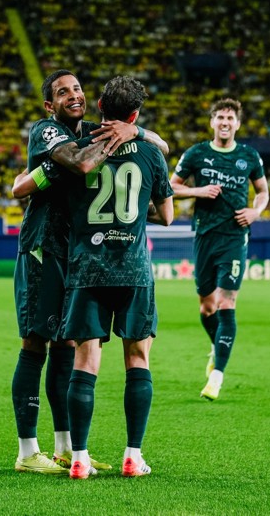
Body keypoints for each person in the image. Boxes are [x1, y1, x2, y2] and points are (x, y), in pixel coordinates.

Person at [11, 69, 168, 475]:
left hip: (75, 255)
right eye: (63, 92)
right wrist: (128, 134)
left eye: (78, 88)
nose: (73, 95)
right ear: (50, 104)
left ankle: (66, 448)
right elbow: (80, 165)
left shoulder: (94, 134)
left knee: (66, 345)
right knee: (35, 343)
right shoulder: (47, 131)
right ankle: (28, 451)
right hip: (44, 248)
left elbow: (158, 144)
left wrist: (136, 132)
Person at [56, 75, 174, 479]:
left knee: (85, 361)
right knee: (137, 358)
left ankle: (79, 458)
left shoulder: (78, 146)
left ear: (100, 106)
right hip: (133, 268)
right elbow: (169, 215)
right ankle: (132, 455)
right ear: (136, 114)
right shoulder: (151, 154)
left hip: (87, 267)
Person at [169, 97, 269, 401]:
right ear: (212, 122)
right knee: (206, 306)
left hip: (235, 236)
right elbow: (170, 187)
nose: (225, 123)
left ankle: (217, 376)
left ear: (237, 124)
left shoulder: (249, 156)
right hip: (204, 235)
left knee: (227, 303)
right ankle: (217, 346)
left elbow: (263, 192)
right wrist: (198, 190)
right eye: (220, 118)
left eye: (230, 118)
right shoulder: (197, 153)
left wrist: (256, 212)